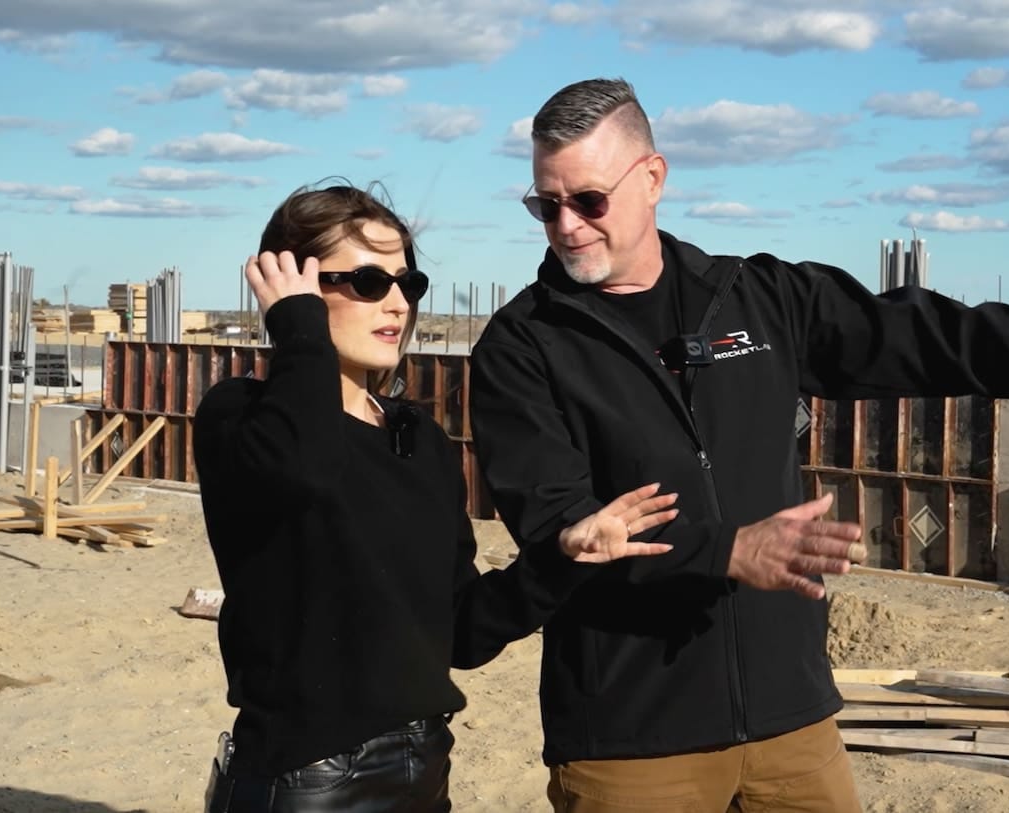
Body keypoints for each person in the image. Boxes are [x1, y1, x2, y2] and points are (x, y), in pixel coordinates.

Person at [468, 77, 1009, 812]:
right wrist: (723, 552)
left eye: (590, 199)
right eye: (547, 205)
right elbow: (557, 522)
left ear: (652, 177)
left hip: (791, 722)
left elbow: (936, 337)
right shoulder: (523, 347)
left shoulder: (757, 298)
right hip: (633, 741)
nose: (568, 225)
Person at [191, 180, 679, 812]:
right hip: (304, 782)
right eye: (367, 282)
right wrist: (297, 330)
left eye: (408, 283)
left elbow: (460, 635)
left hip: (423, 775)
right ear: (294, 289)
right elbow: (305, 470)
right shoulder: (239, 417)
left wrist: (562, 557)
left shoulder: (416, 438)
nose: (396, 303)